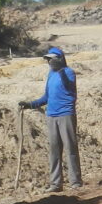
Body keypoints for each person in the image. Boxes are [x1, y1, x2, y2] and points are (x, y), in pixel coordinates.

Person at [19, 46, 82, 192]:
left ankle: (75, 181)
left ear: (59, 59)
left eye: (51, 59)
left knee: (70, 148)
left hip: (66, 114)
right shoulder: (50, 75)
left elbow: (68, 87)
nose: (49, 62)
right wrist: (30, 104)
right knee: (54, 150)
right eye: (48, 59)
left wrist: (61, 71)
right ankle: (55, 183)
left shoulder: (69, 72)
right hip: (51, 115)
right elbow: (46, 97)